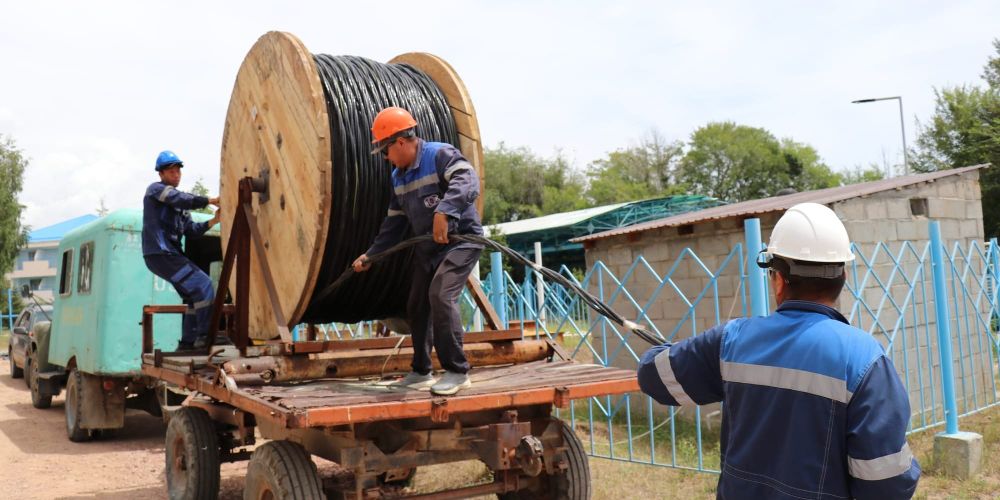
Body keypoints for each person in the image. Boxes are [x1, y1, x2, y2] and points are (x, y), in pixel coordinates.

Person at [637, 203, 920, 499]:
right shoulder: (866, 359)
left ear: (780, 280)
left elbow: (652, 376)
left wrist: (674, 350)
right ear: (843, 277)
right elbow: (886, 481)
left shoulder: (730, 341)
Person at [353, 107, 484, 396]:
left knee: (440, 294)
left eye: (385, 151)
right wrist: (371, 255)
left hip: (461, 242)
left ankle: (457, 371)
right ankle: (422, 370)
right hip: (428, 249)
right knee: (416, 305)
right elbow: (394, 224)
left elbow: (467, 180)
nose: (385, 159)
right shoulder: (398, 178)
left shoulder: (439, 155)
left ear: (400, 142)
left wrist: (445, 210)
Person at [142, 150, 222, 351]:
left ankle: (188, 342)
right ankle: (206, 337)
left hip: (168, 255)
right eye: (171, 171)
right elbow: (180, 198)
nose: (176, 174)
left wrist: (214, 220)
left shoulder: (180, 207)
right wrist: (211, 201)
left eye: (178, 171)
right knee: (204, 284)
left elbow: (192, 231)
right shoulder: (156, 190)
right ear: (161, 174)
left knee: (193, 296)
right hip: (160, 253)